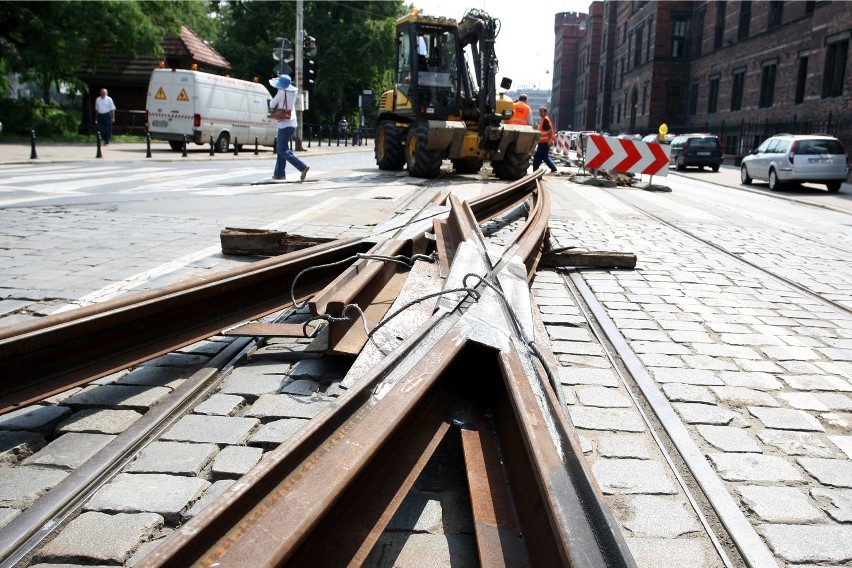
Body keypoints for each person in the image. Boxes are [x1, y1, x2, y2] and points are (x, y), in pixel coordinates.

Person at [269, 74, 309, 182]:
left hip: (284, 123)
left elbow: (272, 103)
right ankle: (279, 173)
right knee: (281, 148)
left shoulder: (281, 92)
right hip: (292, 123)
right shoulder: (293, 92)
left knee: (282, 149)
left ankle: (302, 167)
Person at [533, 106, 558, 173]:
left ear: (545, 112)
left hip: (544, 142)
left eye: (542, 112)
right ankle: (553, 168)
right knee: (545, 157)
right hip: (543, 142)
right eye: (540, 112)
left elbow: (549, 130)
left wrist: (549, 140)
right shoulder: (544, 119)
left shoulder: (545, 120)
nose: (540, 113)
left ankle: (535, 170)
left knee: (537, 157)